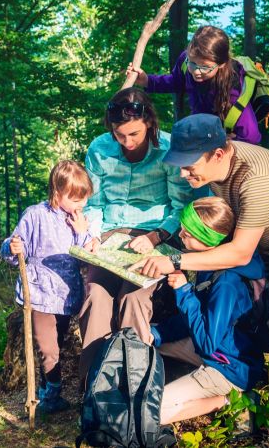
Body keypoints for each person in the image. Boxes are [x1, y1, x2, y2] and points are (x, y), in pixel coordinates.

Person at [132, 114, 269, 446]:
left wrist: (173, 261)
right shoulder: (215, 169)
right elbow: (207, 221)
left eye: (189, 166)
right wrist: (160, 236)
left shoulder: (256, 177)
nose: (183, 174)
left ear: (218, 154)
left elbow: (239, 253)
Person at [78, 87, 203, 382]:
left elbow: (180, 206)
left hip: (155, 236)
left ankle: (132, 382)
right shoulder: (99, 149)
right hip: (110, 236)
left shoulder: (168, 149)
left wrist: (156, 236)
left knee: (133, 298)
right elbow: (94, 204)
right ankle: (94, 383)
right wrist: (93, 235)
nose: (127, 142)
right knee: (95, 296)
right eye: (120, 135)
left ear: (148, 121)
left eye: (134, 134)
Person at [149, 197, 266, 425]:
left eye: (187, 233)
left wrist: (184, 291)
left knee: (152, 411)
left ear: (207, 240)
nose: (180, 236)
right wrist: (155, 334)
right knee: (148, 341)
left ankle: (232, 400)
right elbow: (197, 321)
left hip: (229, 367)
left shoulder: (226, 284)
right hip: (218, 351)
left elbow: (206, 343)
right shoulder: (209, 266)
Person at [0, 160, 94, 416]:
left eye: (83, 198)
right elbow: (14, 247)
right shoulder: (35, 215)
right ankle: (51, 395)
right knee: (48, 348)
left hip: (66, 295)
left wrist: (83, 233)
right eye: (75, 199)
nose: (81, 205)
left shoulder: (77, 220)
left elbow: (85, 259)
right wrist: (12, 246)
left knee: (57, 345)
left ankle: (46, 390)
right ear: (57, 192)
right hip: (39, 293)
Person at [126, 25, 262, 144]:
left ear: (222, 64)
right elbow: (176, 82)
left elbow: (252, 137)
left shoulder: (233, 90)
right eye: (193, 63)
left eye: (205, 67)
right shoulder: (185, 60)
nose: (196, 72)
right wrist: (147, 81)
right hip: (201, 131)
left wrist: (231, 142)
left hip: (225, 144)